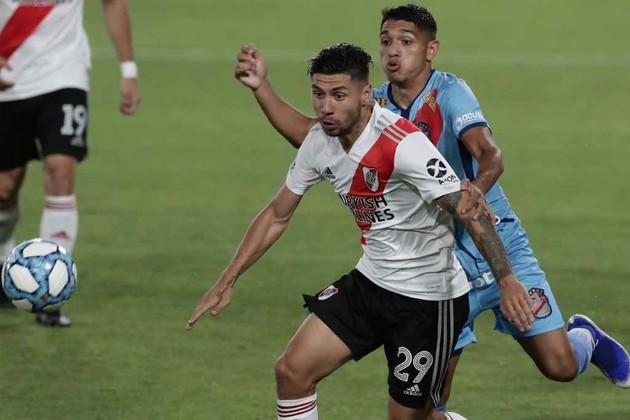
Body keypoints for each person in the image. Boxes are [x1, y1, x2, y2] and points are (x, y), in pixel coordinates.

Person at [233, 3, 630, 417]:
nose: (393, 51)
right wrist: (262, 88)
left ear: (430, 50)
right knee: (427, 406)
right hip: (440, 268)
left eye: (405, 42)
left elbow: (490, 154)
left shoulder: (450, 94)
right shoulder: (371, 106)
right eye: (386, 41)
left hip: (497, 245)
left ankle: (586, 338)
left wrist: (474, 193)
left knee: (559, 366)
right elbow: (312, 134)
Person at [187, 43, 535, 420]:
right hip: (371, 283)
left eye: (338, 95)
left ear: (365, 94)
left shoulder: (403, 145)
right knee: (292, 372)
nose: (325, 107)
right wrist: (228, 278)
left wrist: (507, 280)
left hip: (428, 300)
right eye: (318, 94)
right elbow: (276, 215)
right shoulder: (320, 142)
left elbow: (470, 210)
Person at [0, 0, 141, 326]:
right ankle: (4, 257)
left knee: (61, 171)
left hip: (63, 74)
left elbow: (113, 3)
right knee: (4, 189)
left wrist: (128, 71)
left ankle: (51, 296)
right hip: (8, 77)